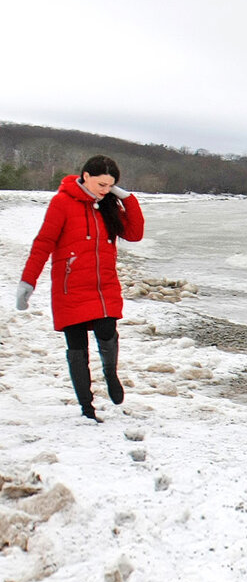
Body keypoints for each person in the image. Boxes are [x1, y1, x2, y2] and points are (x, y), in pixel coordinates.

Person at [15, 155, 145, 422]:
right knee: (77, 347)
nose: (105, 189)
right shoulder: (61, 203)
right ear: (85, 175)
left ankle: (110, 374)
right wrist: (28, 281)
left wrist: (127, 198)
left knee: (108, 330)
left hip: (104, 285)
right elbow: (43, 243)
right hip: (70, 286)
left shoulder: (108, 204)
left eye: (111, 185)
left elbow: (134, 233)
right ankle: (87, 408)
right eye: (101, 183)